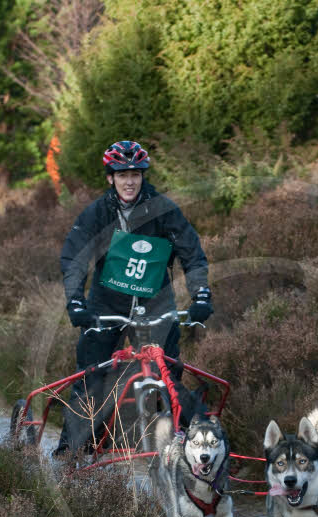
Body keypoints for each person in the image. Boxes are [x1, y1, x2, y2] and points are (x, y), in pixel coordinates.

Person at [54, 139, 213, 455]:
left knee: (168, 377)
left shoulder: (164, 210)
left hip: (155, 302)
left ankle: (191, 448)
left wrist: (201, 295)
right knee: (91, 379)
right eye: (122, 174)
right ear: (110, 177)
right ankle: (71, 453)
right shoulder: (97, 213)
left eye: (136, 174)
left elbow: (191, 253)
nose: (129, 181)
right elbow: (74, 258)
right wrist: (75, 301)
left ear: (143, 177)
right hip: (106, 303)